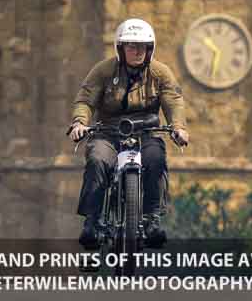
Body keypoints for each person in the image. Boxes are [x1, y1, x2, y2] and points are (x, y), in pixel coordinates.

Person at [67, 18, 189, 249]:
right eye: (131, 46)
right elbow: (85, 98)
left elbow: (174, 100)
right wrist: (79, 123)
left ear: (150, 48)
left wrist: (179, 127)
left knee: (156, 158)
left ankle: (152, 219)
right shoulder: (103, 70)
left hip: (146, 132)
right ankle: (92, 222)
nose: (137, 51)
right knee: (97, 160)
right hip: (108, 132)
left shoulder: (160, 72)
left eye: (142, 46)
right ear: (120, 48)